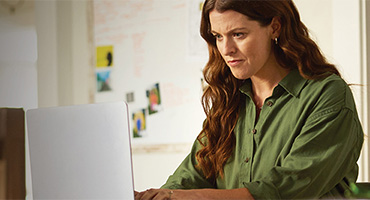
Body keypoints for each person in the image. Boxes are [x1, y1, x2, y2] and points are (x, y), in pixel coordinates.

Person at [135, 0, 364, 199]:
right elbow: (190, 177)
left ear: (275, 27)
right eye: (218, 36)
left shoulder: (326, 96)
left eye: (238, 34)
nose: (226, 49)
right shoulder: (229, 102)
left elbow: (280, 191)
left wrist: (180, 197)